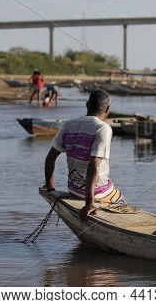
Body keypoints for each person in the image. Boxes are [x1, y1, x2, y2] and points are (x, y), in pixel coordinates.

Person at [43, 90, 124, 221]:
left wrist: (50, 187)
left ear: (87, 105)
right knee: (121, 202)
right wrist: (89, 203)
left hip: (73, 190)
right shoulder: (103, 128)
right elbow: (94, 164)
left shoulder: (69, 125)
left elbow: (50, 158)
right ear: (108, 109)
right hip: (97, 194)